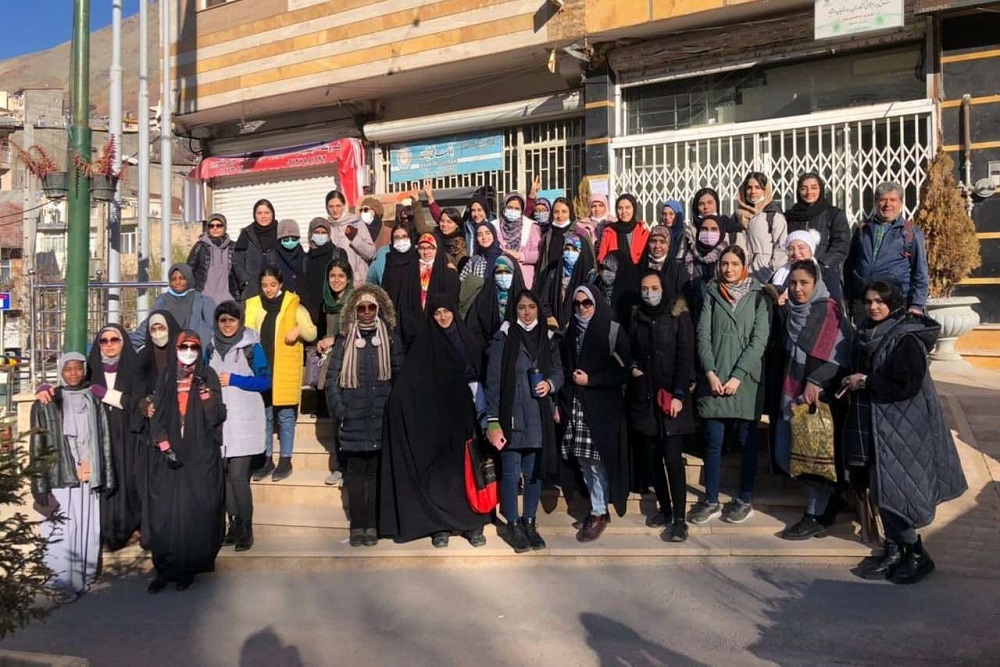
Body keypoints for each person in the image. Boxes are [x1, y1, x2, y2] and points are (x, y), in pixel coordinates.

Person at [842, 281, 967, 584]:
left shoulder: (906, 337)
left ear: (894, 303)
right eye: (869, 301)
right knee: (879, 487)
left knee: (897, 491)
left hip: (902, 428)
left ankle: (916, 554)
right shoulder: (866, 333)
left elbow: (906, 383)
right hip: (874, 423)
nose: (873, 307)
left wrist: (865, 382)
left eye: (880, 301)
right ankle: (895, 549)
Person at [381, 292, 489, 547]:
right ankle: (439, 526)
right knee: (439, 474)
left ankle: (472, 523)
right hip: (436, 419)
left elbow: (482, 373)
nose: (442, 317)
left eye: (446, 311)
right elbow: (410, 379)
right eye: (437, 313)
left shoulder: (468, 340)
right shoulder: (424, 342)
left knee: (467, 470)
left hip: (467, 415)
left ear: (454, 312)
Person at [772, 261, 851, 540]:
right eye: (793, 283)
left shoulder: (829, 311)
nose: (798, 289)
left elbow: (841, 355)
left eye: (804, 283)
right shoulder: (791, 312)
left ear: (815, 283)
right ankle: (829, 500)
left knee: (813, 459)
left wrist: (816, 381)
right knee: (784, 455)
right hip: (790, 395)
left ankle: (815, 514)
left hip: (820, 399)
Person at [690, 246, 770, 525]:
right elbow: (703, 336)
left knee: (747, 442)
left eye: (735, 264)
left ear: (744, 266)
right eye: (724, 264)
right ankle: (711, 499)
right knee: (713, 441)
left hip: (745, 381)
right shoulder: (712, 293)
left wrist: (737, 376)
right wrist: (711, 373)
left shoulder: (759, 296)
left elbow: (759, 340)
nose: (729, 269)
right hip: (715, 378)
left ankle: (744, 498)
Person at [146, 331, 226, 593]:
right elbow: (157, 413)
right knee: (165, 513)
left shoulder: (208, 375)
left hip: (198, 454)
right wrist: (164, 445)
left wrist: (203, 391)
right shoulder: (167, 376)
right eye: (184, 346)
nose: (189, 351)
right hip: (168, 454)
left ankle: (187, 569)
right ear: (176, 348)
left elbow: (216, 416)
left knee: (192, 513)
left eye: (194, 346)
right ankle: (165, 569)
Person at [30, 353, 114, 604]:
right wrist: (39, 483)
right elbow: (38, 445)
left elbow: (103, 439)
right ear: (60, 371)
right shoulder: (47, 401)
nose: (74, 373)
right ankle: (60, 582)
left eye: (78, 368)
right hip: (60, 473)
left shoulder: (92, 399)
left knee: (86, 525)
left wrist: (104, 472)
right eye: (68, 369)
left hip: (88, 471)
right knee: (62, 527)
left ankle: (82, 578)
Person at [485, 290, 564, 552]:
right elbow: (493, 381)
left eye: (531, 307)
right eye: (521, 307)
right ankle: (513, 524)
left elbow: (559, 371)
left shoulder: (547, 337)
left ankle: (530, 522)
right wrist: (493, 421)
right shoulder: (504, 337)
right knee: (510, 474)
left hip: (538, 416)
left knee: (533, 474)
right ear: (514, 310)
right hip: (511, 415)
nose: (527, 312)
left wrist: (550, 384)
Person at [326, 285, 404, 547]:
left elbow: (399, 376)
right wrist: (340, 411)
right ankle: (357, 525)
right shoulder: (344, 340)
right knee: (356, 475)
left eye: (372, 307)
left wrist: (393, 411)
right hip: (353, 418)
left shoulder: (389, 339)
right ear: (356, 310)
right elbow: (332, 379)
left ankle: (373, 525)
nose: (367, 312)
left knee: (376, 473)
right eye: (362, 308)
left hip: (381, 417)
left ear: (378, 309)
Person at [560, 285, 631, 542]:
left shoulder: (611, 330)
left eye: (587, 303)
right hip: (577, 405)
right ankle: (597, 507)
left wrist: (592, 380)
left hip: (602, 408)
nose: (582, 308)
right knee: (583, 460)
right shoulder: (570, 332)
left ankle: (599, 512)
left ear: (596, 303)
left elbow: (623, 371)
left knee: (596, 462)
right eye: (577, 304)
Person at [628, 271, 696, 542]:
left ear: (663, 288)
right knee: (653, 457)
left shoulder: (678, 314)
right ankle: (665, 510)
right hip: (646, 396)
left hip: (672, 397)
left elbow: (685, 355)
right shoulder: (637, 316)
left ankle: (680, 520)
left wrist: (679, 393)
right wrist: (633, 367)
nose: (649, 293)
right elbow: (632, 350)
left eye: (654, 287)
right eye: (645, 288)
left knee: (673, 458)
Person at [244, 267, 318, 482]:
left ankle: (286, 460)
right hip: (262, 369)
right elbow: (246, 334)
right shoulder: (253, 305)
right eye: (264, 285)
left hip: (284, 369)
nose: (268, 289)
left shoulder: (293, 305)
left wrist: (299, 329)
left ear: (280, 284)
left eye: (272, 285)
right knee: (265, 415)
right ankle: (267, 459)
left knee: (285, 416)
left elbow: (312, 332)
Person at [208, 301, 270, 552]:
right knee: (224, 477)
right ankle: (232, 526)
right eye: (222, 320)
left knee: (237, 476)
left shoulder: (251, 347)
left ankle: (246, 528)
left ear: (240, 322)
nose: (227, 325)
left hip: (245, 420)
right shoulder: (210, 347)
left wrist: (235, 379)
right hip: (221, 422)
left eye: (232, 320)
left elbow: (265, 381)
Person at [844, 181, 929, 321]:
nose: (887, 204)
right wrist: (848, 297)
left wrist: (916, 305)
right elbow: (849, 266)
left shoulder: (910, 232)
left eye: (893, 200)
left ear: (901, 203)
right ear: (876, 202)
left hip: (895, 302)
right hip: (865, 302)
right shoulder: (862, 230)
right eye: (883, 199)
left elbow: (920, 272)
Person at [314, 255, 355, 486]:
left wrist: (335, 339)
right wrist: (323, 342)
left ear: (348, 279)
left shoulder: (355, 302)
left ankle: (349, 466)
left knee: (348, 417)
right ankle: (341, 465)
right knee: (335, 416)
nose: (336, 280)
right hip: (331, 364)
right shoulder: (326, 303)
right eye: (332, 276)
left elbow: (356, 331)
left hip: (350, 364)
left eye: (341, 276)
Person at [384, 231, 460, 350]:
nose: (426, 252)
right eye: (422, 248)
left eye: (430, 248)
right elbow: (404, 301)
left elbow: (451, 305)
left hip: (439, 332)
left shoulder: (449, 274)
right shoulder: (411, 271)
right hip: (413, 332)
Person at [784, 172, 851, 289]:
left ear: (821, 189)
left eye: (814, 188)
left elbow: (840, 246)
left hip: (825, 275)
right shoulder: (791, 216)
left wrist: (820, 265)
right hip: (796, 275)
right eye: (803, 188)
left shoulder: (833, 214)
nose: (809, 192)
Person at [132, 263, 217, 348]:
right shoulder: (162, 300)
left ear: (189, 279)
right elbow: (150, 325)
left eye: (182, 278)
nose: (177, 282)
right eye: (173, 279)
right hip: (168, 349)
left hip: (195, 348)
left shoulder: (203, 301)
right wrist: (128, 342)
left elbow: (214, 329)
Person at [466, 254, 525, 358]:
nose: (503, 276)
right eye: (499, 272)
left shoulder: (524, 299)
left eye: (507, 272)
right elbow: (473, 327)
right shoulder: (484, 296)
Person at [734, 172, 788, 282]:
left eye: (757, 187)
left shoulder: (773, 214)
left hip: (765, 272)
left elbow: (781, 245)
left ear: (765, 190)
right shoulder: (738, 215)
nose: (753, 191)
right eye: (749, 188)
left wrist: (772, 269)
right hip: (741, 273)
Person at [538, 232, 595, 331]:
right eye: (567, 249)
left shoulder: (589, 276)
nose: (569, 253)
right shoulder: (555, 273)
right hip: (554, 327)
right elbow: (545, 300)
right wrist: (549, 316)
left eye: (574, 250)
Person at [300, 216, 345, 338]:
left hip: (335, 313)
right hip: (313, 316)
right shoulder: (305, 259)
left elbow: (345, 281)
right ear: (311, 234)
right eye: (317, 232)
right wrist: (310, 311)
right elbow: (302, 287)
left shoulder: (338, 254)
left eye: (323, 232)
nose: (320, 235)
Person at [680, 215, 729, 322]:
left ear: (721, 232)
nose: (708, 233)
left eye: (714, 229)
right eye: (704, 229)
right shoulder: (689, 257)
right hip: (694, 316)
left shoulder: (728, 258)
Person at [326, 189, 376, 288]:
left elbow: (371, 253)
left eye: (338, 206)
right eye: (331, 206)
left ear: (344, 205)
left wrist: (355, 238)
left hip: (355, 283)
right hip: (334, 283)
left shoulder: (356, 223)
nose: (335, 210)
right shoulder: (326, 227)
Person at [187, 212, 238, 306]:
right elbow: (189, 270)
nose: (215, 228)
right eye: (211, 226)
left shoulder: (233, 247)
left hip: (228, 300)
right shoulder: (200, 246)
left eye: (219, 225)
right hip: (204, 299)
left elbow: (239, 272)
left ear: (224, 227)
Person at [233, 199, 278, 300]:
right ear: (254, 215)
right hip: (252, 290)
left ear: (272, 214)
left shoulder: (280, 231)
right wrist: (245, 281)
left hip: (276, 288)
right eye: (259, 213)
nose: (263, 216)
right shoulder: (247, 233)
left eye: (267, 213)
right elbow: (238, 260)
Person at [496, 192, 542, 289]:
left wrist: (520, 255)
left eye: (517, 208)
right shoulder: (495, 226)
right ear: (504, 207)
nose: (513, 211)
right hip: (500, 278)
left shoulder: (530, 226)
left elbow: (537, 254)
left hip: (523, 281)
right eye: (510, 207)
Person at [597, 194, 650, 265]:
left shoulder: (643, 232)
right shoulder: (609, 232)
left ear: (634, 209)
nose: (623, 211)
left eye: (627, 207)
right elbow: (601, 258)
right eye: (620, 208)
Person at [274, 219, 305, 294]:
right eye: (286, 239)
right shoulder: (271, 258)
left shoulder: (305, 257)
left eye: (294, 238)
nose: (290, 241)